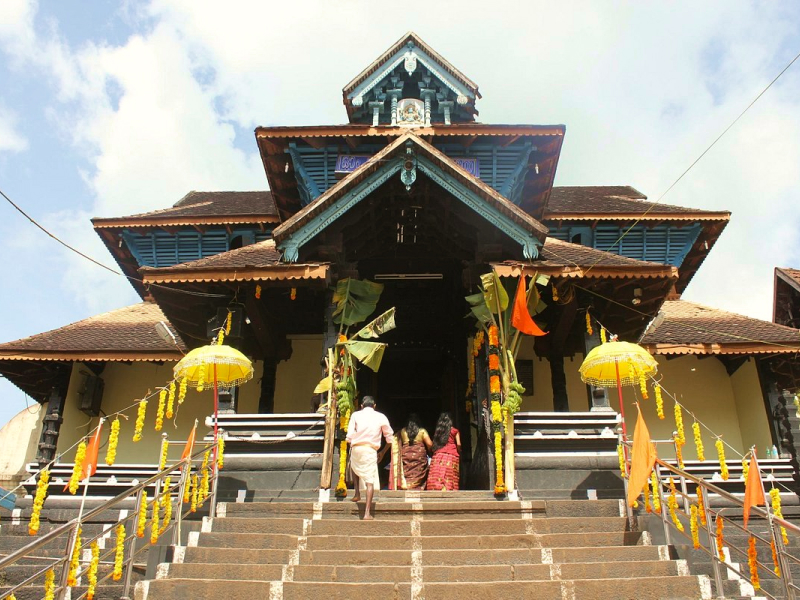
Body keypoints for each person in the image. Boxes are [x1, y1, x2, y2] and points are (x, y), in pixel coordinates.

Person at [345, 396, 393, 519]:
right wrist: (383, 451)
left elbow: (349, 434)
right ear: (374, 406)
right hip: (370, 449)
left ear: (361, 406)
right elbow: (389, 437)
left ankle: (356, 493)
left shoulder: (355, 415)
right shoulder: (381, 416)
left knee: (355, 468)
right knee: (369, 482)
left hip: (356, 447)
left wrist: (352, 443)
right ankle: (367, 513)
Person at [391, 413, 433, 490]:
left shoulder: (403, 431)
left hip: (406, 455)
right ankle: (417, 486)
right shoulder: (422, 431)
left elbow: (393, 440)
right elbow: (429, 444)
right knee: (419, 471)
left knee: (407, 470)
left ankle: (407, 485)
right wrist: (432, 452)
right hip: (419, 456)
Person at [426, 412, 461, 491]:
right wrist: (459, 451)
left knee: (438, 472)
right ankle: (449, 488)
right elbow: (458, 444)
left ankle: (436, 488)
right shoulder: (455, 431)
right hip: (452, 454)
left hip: (439, 454)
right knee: (450, 474)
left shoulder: (439, 431)